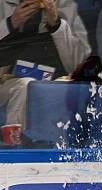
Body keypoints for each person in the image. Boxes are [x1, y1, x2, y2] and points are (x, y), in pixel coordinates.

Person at [0, 0, 91, 128]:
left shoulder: (65, 6)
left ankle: (55, 145)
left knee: (63, 89)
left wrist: (56, 24)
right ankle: (14, 141)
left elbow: (79, 64)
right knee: (25, 85)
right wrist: (10, 24)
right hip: (8, 83)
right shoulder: (3, 5)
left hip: (53, 80)